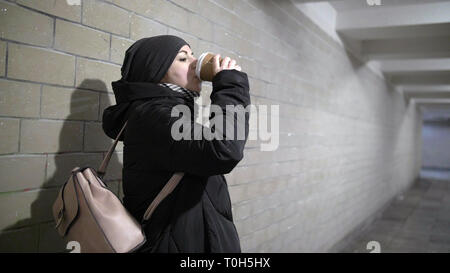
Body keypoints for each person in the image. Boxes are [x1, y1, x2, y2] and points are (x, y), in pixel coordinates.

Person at [102, 35, 250, 253]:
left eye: (192, 55)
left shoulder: (167, 114)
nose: (195, 62)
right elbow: (223, 149)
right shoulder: (152, 116)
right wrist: (231, 86)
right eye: (182, 58)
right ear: (155, 71)